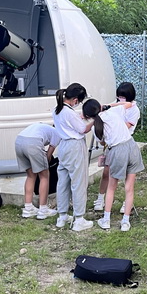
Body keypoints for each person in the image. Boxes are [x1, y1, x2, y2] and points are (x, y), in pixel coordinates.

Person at [82, 98, 143, 232]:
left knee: (111, 187)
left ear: (87, 116)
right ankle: (125, 222)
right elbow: (129, 104)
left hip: (116, 151)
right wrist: (108, 105)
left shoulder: (95, 127)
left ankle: (106, 220)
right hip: (131, 146)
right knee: (129, 188)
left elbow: (102, 142)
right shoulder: (113, 112)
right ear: (100, 106)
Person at [52, 83, 94, 232]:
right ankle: (79, 219)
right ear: (75, 100)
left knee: (63, 182)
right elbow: (83, 129)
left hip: (63, 146)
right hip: (75, 146)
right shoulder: (69, 113)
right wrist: (95, 120)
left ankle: (62, 216)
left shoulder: (57, 109)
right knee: (78, 182)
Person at [94, 82, 140, 214]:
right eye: (119, 96)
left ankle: (127, 203)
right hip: (111, 144)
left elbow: (126, 126)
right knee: (106, 172)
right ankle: (100, 198)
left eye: (123, 97)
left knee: (128, 175)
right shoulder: (115, 105)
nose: (121, 99)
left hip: (125, 142)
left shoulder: (134, 109)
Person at [15, 122, 60, 220]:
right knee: (44, 176)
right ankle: (43, 209)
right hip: (33, 143)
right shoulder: (58, 133)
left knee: (31, 175)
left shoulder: (45, 128)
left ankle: (28, 208)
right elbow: (48, 156)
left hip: (19, 141)